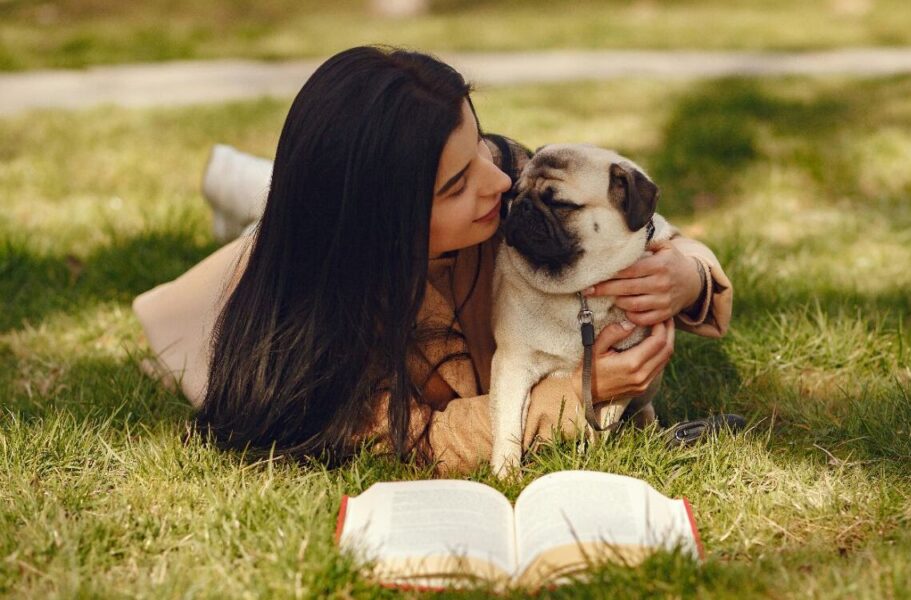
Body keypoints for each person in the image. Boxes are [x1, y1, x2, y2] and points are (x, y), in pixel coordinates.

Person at [132, 46, 733, 475]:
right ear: (388, 226)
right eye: (456, 185)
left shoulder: (507, 183)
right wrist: (581, 393)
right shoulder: (325, 327)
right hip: (277, 276)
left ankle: (250, 181)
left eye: (480, 148)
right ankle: (248, 189)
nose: (499, 182)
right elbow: (420, 439)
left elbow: (648, 232)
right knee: (275, 219)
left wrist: (685, 276)